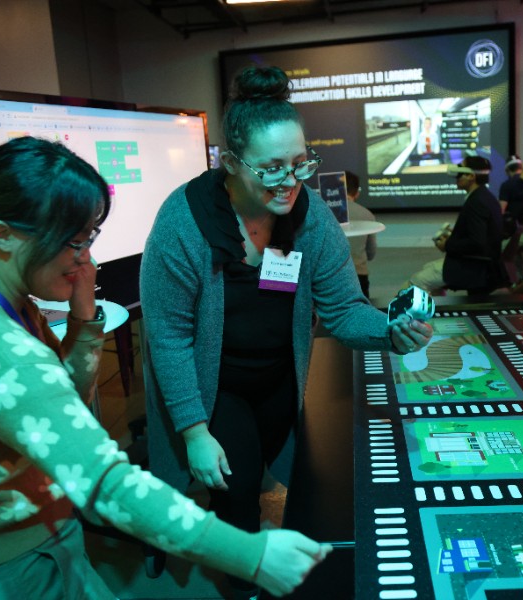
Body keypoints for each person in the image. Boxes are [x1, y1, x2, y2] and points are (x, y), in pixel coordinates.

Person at [0, 136, 327, 600]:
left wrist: (84, 315)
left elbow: (62, 399)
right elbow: (105, 482)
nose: (87, 258)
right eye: (74, 241)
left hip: (42, 537)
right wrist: (252, 555)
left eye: (89, 238)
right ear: (3, 236)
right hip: (1, 569)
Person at [139, 66, 432, 600]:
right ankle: (242, 584)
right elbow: (168, 338)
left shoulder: (309, 215)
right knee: (237, 490)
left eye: (299, 164)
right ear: (229, 163)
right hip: (211, 385)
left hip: (277, 377)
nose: (289, 182)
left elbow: (343, 308)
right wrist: (192, 430)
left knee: (275, 476)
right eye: (271, 169)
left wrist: (390, 330)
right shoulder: (182, 224)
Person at [406, 155, 507, 294]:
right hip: (481, 264)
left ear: (471, 176)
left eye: (460, 173)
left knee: (418, 280)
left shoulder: (477, 202)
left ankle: (413, 314)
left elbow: (477, 243)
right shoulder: (485, 197)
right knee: (427, 268)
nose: (456, 177)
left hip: (474, 268)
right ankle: (438, 311)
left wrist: (447, 245)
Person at [344, 171, 378, 298]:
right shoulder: (367, 215)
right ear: (357, 192)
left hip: (330, 276)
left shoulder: (324, 212)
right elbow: (371, 253)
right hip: (359, 275)